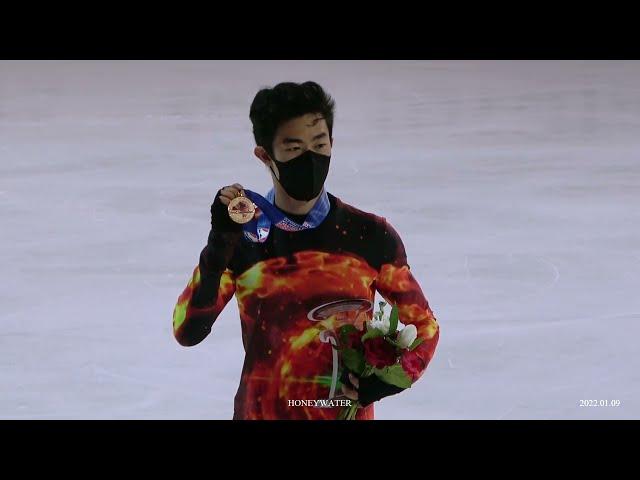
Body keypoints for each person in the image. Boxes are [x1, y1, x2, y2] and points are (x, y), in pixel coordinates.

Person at [172, 81, 440, 420]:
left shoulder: (369, 237)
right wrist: (217, 250)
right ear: (265, 155)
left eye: (319, 144)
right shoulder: (245, 238)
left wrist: (389, 382)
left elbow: (424, 326)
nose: (310, 158)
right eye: (294, 148)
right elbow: (187, 330)